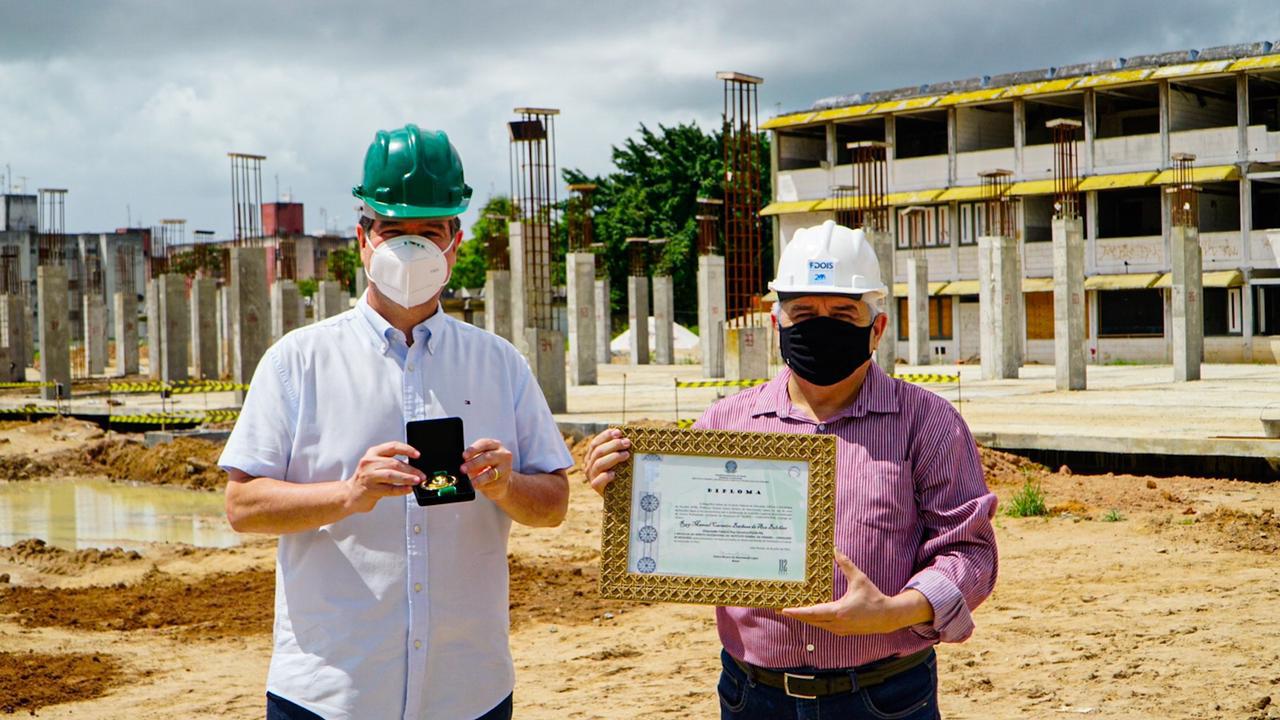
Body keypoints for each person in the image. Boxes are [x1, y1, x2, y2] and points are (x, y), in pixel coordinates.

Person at [220, 124, 572, 720]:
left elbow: (555, 503)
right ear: (363, 239)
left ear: (455, 242)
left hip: (467, 692)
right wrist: (348, 494)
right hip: (332, 693)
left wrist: (506, 486)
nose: (411, 249)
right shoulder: (297, 362)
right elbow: (242, 506)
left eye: (429, 233)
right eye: (393, 230)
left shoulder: (499, 365)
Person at [585, 220, 998, 720]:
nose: (822, 326)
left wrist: (893, 611)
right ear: (777, 323)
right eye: (803, 313)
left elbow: (969, 551)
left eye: (842, 313)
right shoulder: (725, 423)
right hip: (753, 696)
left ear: (877, 328)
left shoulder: (927, 423)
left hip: (884, 696)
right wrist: (629, 491)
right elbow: (681, 527)